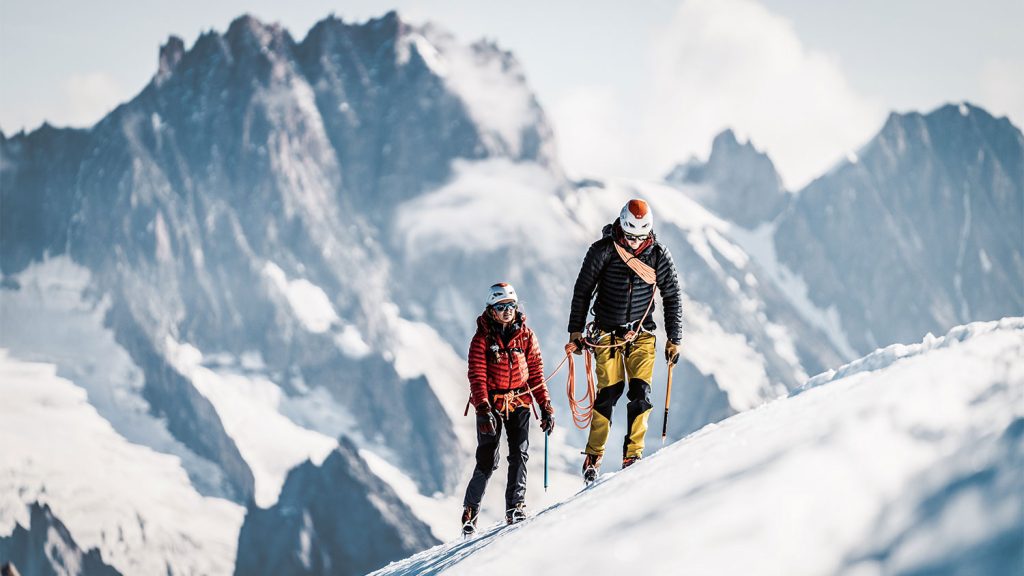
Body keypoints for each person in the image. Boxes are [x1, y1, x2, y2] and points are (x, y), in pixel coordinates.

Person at [567, 199, 683, 482]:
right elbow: (582, 290)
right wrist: (575, 332)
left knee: (641, 394)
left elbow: (672, 296)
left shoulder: (658, 255)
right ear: (621, 227)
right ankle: (594, 454)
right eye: (629, 236)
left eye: (639, 237)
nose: (633, 242)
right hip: (606, 334)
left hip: (642, 334)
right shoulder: (603, 251)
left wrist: (674, 338)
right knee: (609, 393)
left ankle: (633, 455)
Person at [461, 282, 555, 535]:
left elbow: (535, 372)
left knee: (519, 453)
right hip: (491, 403)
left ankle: (516, 507)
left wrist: (544, 405)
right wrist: (482, 409)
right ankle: (471, 510)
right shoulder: (481, 339)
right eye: (501, 307)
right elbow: (477, 376)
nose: (506, 311)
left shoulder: (526, 336)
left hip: (519, 400)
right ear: (491, 310)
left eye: (510, 306)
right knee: (488, 459)